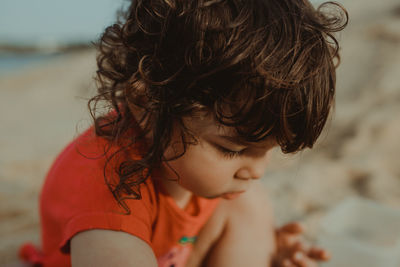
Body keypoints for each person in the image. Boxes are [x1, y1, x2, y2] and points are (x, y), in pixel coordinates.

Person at [19, 0, 348, 266]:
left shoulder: (192, 160)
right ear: (147, 103)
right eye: (232, 149)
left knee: (247, 204)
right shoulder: (109, 196)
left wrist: (267, 250)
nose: (257, 170)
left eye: (268, 149)